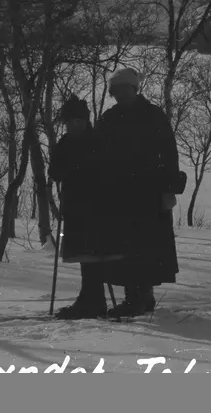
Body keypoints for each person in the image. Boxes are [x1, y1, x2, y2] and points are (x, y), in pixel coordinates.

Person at [93, 67, 182, 318]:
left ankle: (141, 297)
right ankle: (137, 297)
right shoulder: (109, 119)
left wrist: (168, 189)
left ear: (133, 89)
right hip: (119, 194)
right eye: (115, 91)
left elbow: (168, 153)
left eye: (122, 89)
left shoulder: (153, 116)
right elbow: (97, 152)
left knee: (145, 246)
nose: (119, 95)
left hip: (149, 193)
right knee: (126, 247)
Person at [49, 95, 113, 320]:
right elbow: (54, 172)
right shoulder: (65, 142)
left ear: (86, 121)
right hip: (74, 204)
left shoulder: (97, 140)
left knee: (93, 253)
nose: (74, 125)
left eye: (78, 121)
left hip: (96, 204)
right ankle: (90, 298)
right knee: (84, 254)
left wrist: (79, 169)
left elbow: (105, 170)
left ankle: (93, 300)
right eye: (70, 122)